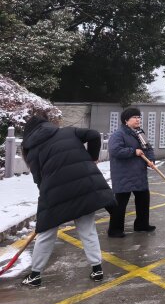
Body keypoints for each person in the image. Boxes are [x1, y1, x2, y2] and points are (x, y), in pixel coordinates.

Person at [19, 115, 115, 287]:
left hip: (55, 192)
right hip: (84, 187)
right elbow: (94, 135)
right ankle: (97, 269)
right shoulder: (68, 132)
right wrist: (92, 158)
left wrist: (46, 199)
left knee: (46, 232)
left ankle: (35, 275)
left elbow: (39, 179)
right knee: (87, 229)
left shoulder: (32, 150)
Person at [107, 107, 156, 237]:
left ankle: (142, 225)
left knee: (143, 200)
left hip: (139, 174)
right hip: (124, 175)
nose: (138, 120)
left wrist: (151, 160)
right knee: (120, 204)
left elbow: (148, 148)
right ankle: (115, 230)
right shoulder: (119, 134)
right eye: (134, 117)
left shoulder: (140, 133)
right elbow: (115, 150)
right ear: (126, 120)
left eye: (139, 117)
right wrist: (133, 151)